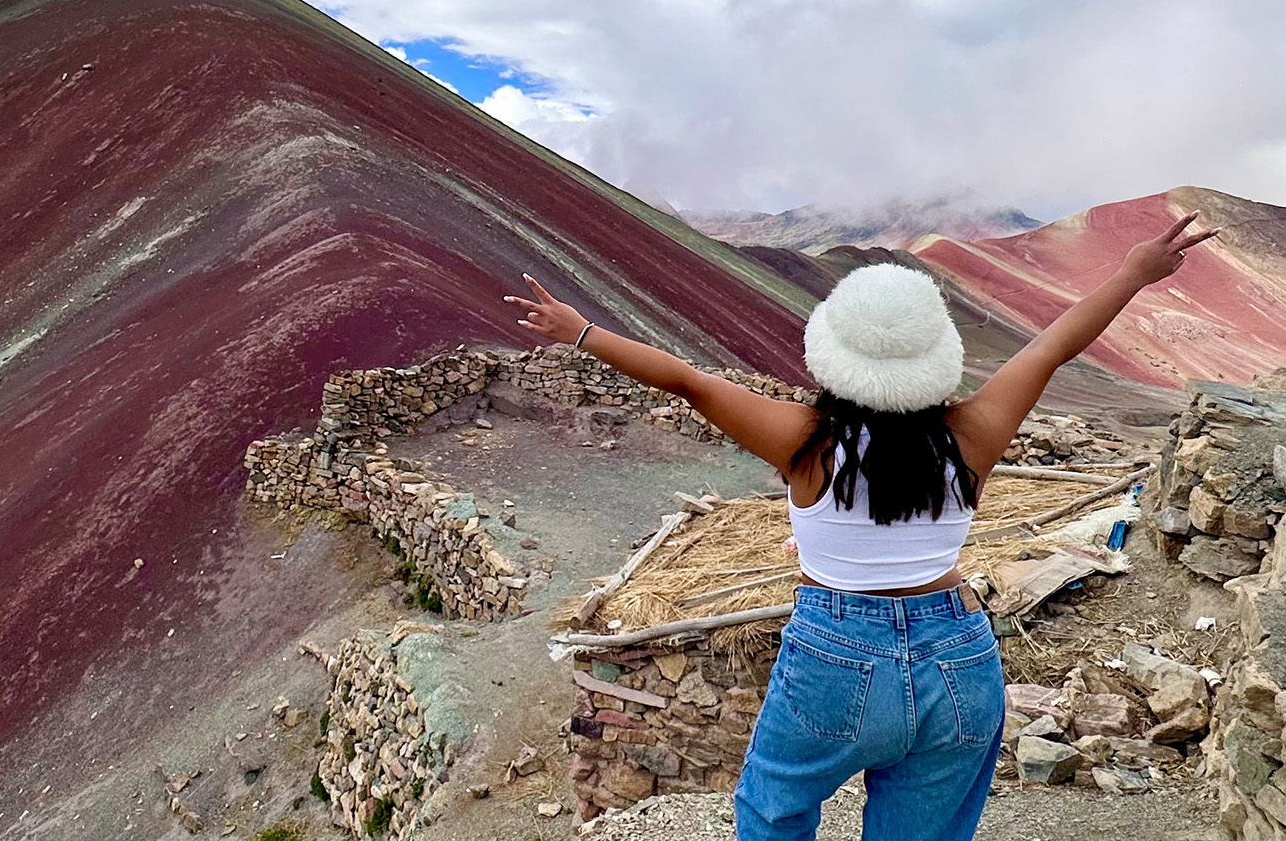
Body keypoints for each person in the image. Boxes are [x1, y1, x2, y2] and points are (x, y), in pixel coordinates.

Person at [504, 213, 1216, 841]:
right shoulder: (972, 434)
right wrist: (1130, 274)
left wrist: (584, 332)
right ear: (936, 358)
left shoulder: (805, 440)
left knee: (773, 810)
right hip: (960, 656)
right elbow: (1050, 348)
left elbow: (686, 380)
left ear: (833, 356)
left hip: (835, 653)